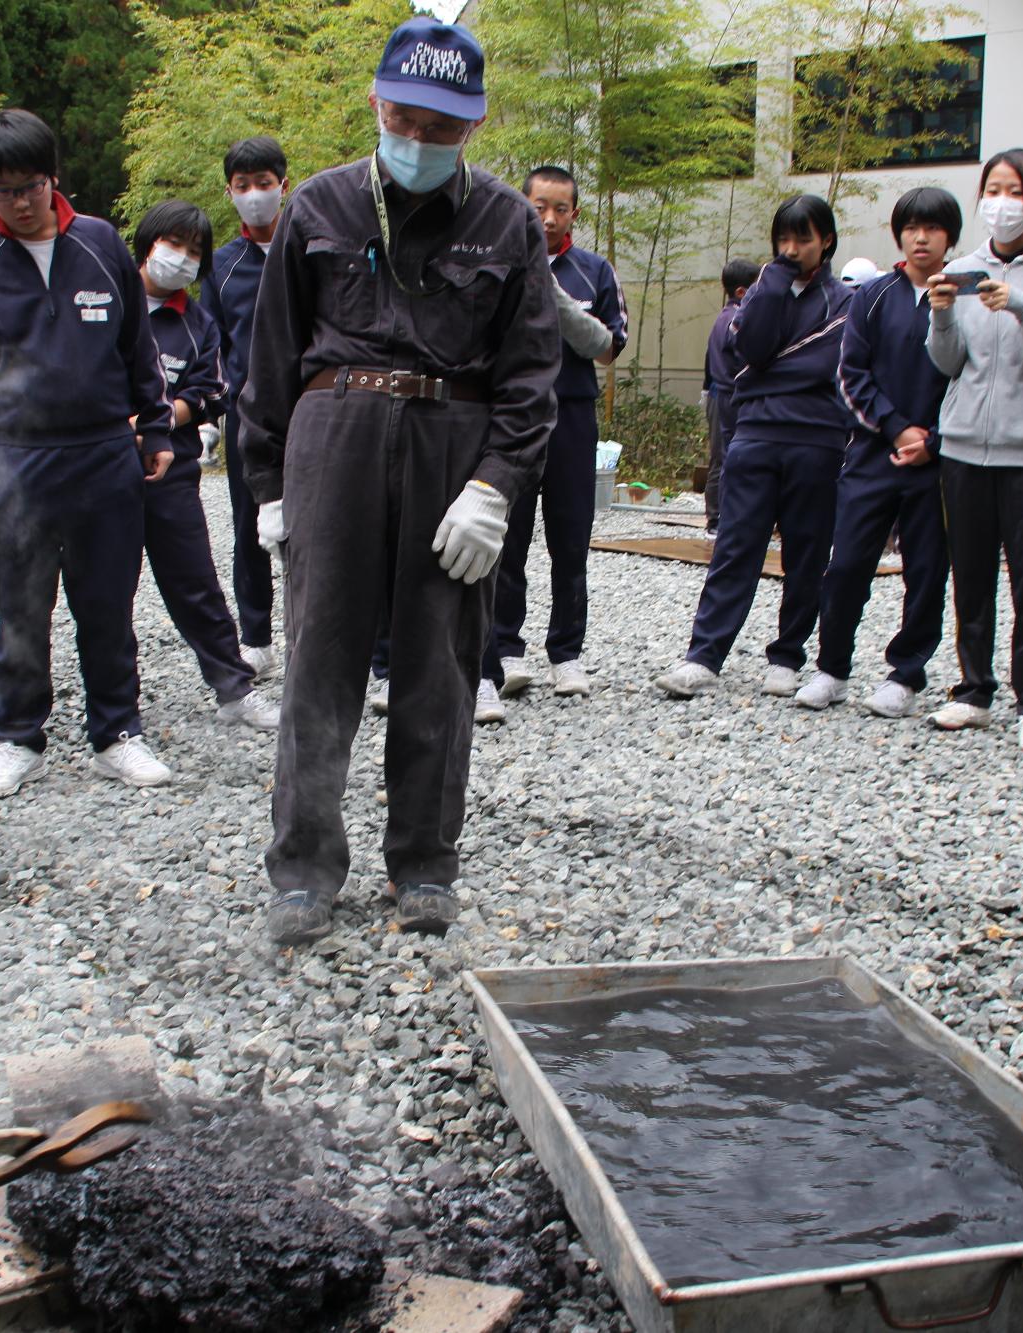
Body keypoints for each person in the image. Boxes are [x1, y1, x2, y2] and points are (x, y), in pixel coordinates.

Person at [238, 18, 559, 944]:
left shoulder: (506, 221)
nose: (419, 141)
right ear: (376, 105)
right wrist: (265, 485)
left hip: (451, 442)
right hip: (332, 434)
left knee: (441, 664)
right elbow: (270, 362)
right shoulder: (319, 209)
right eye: (406, 119)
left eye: (443, 127)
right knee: (319, 659)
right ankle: (302, 869)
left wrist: (496, 486)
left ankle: (424, 864)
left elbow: (531, 373)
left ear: (477, 123)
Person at [0, 108, 178, 801]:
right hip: (15, 463)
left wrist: (155, 429)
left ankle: (116, 732)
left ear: (53, 178)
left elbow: (141, 349)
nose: (19, 201)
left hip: (102, 454)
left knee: (108, 603)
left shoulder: (100, 246)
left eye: (30, 185)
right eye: (2, 190)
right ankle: (16, 736)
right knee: (21, 607)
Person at [655, 194, 853, 699]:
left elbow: (831, 365)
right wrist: (773, 289)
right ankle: (704, 656)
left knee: (806, 553)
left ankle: (787, 656)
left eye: (802, 239)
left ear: (825, 241)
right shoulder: (763, 290)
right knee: (735, 547)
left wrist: (772, 370)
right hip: (755, 434)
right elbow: (748, 350)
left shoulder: (847, 301)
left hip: (817, 439)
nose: (791, 249)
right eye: (783, 239)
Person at [924, 147, 1023, 753]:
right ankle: (972, 690)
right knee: (969, 574)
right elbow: (948, 364)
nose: (1002, 203)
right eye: (992, 189)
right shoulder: (963, 266)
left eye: (1014, 192)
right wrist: (942, 316)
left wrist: (1021, 305)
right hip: (965, 445)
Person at [803, 186, 958, 718]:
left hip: (938, 462)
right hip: (873, 453)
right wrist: (896, 430)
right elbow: (851, 374)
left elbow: (973, 378)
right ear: (899, 234)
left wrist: (931, 440)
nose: (922, 237)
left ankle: (906, 673)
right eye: (912, 227)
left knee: (926, 570)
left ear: (949, 238)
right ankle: (832, 668)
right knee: (846, 564)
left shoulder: (963, 297)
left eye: (933, 228)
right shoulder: (871, 296)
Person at [131, 199, 282, 732]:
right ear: (147, 242)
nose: (182, 259)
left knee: (195, 581)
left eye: (194, 252)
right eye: (173, 244)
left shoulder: (194, 321)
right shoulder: (107, 303)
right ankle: (116, 713)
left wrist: (160, 416)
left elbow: (212, 386)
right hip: (102, 467)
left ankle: (234, 689)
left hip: (172, 469)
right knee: (105, 591)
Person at [483, 164, 625, 711]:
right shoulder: (499, 261)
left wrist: (561, 305)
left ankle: (566, 651)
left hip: (571, 414)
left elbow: (609, 348)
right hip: (512, 413)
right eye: (538, 206)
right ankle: (505, 647)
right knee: (508, 536)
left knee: (571, 539)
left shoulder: (594, 272)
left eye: (559, 208)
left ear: (575, 213)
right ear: (522, 205)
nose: (547, 218)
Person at [201, 136, 290, 682]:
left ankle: (323, 633)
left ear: (285, 184)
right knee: (250, 525)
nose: (255, 195)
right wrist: (210, 416)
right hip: (246, 414)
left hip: (310, 408)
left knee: (323, 524)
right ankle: (256, 638)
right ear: (230, 193)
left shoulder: (307, 248)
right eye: (243, 186)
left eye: (264, 184)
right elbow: (209, 345)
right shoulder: (220, 266)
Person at [701, 258, 757, 535]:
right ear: (742, 292)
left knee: (722, 456)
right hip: (730, 394)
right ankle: (719, 518)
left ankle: (718, 516)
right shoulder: (737, 320)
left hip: (718, 392)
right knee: (727, 457)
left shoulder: (721, 318)